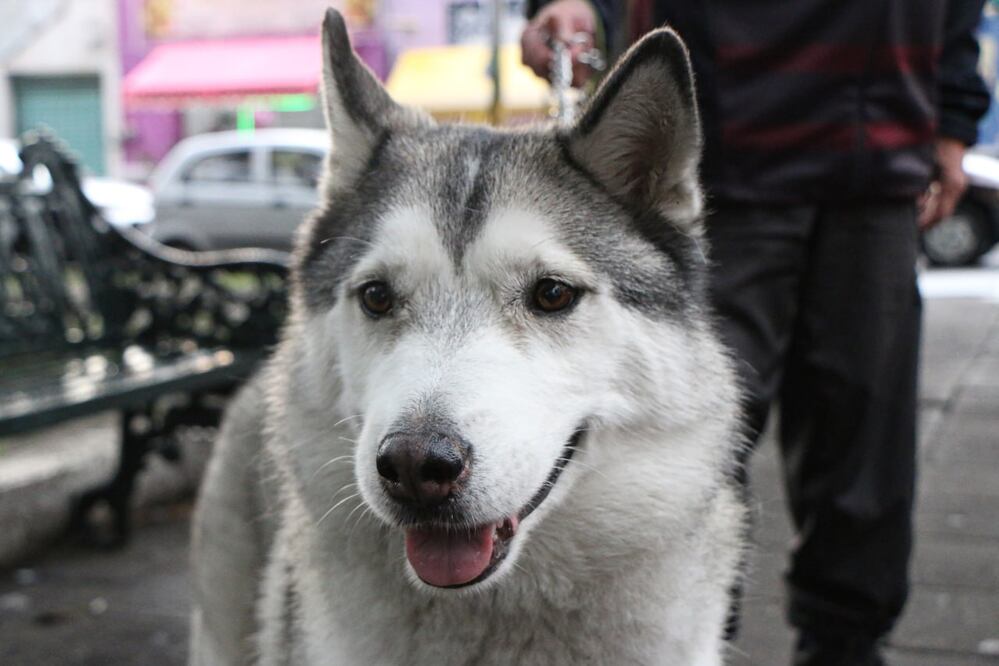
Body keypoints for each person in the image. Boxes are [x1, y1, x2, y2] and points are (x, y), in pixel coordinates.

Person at [522, 2, 990, 665]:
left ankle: (847, 650)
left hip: (878, 160)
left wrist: (951, 121)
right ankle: (683, 647)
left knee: (866, 454)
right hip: (722, 160)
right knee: (684, 451)